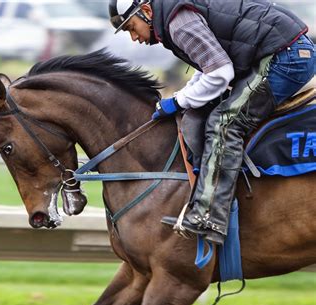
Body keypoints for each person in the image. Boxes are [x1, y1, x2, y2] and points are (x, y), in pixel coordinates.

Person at [109, 0, 315, 245]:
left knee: (224, 123)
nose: (134, 38)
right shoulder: (174, 18)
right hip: (283, 51)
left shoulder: (178, 23)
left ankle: (209, 215)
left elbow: (219, 73)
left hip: (287, 58)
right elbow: (207, 67)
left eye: (131, 27)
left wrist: (178, 102)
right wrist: (180, 98)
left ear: (146, 12)